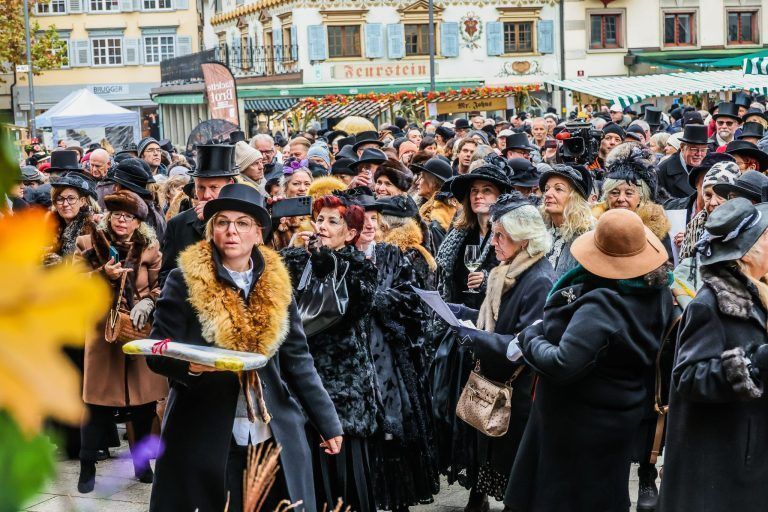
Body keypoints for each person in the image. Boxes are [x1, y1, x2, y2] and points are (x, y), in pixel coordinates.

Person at [147, 184, 342, 511]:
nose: (231, 231)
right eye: (222, 222)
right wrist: (189, 366)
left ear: (258, 232)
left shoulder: (277, 281)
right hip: (204, 429)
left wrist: (327, 422)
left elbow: (297, 358)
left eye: (242, 223)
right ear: (211, 231)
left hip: (271, 429)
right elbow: (157, 349)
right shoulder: (185, 279)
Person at [506, 208, 673, 512]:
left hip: (578, 426)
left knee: (565, 500)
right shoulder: (658, 291)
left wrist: (530, 338)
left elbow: (561, 363)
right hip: (620, 415)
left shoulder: (602, 304)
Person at [447, 192, 555, 511]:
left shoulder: (539, 279)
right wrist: (453, 311)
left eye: (500, 236)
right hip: (498, 385)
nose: (493, 242)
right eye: (493, 234)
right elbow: (490, 318)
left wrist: (469, 334)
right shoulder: (508, 270)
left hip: (519, 393)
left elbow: (517, 347)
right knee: (493, 463)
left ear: (523, 239)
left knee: (517, 480)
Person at [659, 198, 768, 512]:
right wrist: (756, 362)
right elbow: (689, 377)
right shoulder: (710, 304)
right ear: (747, 252)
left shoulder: (757, 293)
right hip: (719, 465)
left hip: (745, 455)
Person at [344, 189, 441, 511]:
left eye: (374, 218)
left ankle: (398, 501)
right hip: (353, 359)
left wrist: (382, 302)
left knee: (396, 430)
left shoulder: (390, 254)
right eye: (363, 219)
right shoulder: (339, 258)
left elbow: (412, 301)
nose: (370, 224)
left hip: (389, 358)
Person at [281, 194, 379, 511]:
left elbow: (352, 309)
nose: (322, 226)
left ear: (350, 233)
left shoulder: (360, 269)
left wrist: (328, 264)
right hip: (299, 381)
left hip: (344, 388)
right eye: (319, 219)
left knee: (342, 479)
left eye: (332, 221)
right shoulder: (293, 261)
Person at [431, 157, 512, 511]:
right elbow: (446, 281)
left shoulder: (510, 235)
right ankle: (474, 488)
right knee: (464, 413)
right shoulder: (458, 235)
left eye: (487, 190)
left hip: (493, 332)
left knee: (488, 412)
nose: (479, 196)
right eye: (475, 191)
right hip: (463, 332)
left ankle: (489, 487)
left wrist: (489, 283)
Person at [74, 190, 168, 493]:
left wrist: (149, 303)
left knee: (144, 404)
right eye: (116, 215)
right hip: (103, 331)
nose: (122, 221)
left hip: (138, 331)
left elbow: (158, 286)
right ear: (108, 217)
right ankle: (87, 466)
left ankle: (142, 464)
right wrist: (103, 274)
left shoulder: (150, 248)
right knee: (97, 406)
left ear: (139, 222)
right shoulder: (88, 244)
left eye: (128, 216)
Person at [160, 144, 238, 284]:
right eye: (201, 187)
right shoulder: (177, 225)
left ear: (230, 184)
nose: (206, 195)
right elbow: (166, 276)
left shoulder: (245, 220)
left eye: (214, 187)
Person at [539, 164, 594, 277]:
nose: (548, 194)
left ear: (574, 198)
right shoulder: (538, 231)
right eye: (546, 189)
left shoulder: (588, 237)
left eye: (558, 189)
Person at [414, 158, 457, 255]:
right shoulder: (424, 207)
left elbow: (440, 259)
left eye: (421, 178)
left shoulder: (436, 220)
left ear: (432, 183)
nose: (417, 182)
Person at [270, 161, 315, 250]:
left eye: (307, 184)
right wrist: (273, 223)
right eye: (296, 184)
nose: (302, 189)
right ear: (285, 188)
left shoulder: (319, 214)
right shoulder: (277, 215)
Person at [657, 124, 709, 199]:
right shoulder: (662, 171)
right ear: (682, 147)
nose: (699, 154)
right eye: (694, 149)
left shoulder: (710, 167)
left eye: (703, 150)